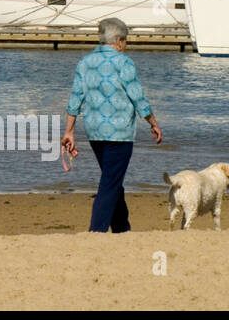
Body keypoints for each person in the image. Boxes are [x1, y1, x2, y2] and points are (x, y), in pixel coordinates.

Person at [60, 17, 163, 233]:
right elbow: (137, 96)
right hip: (119, 133)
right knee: (110, 182)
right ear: (118, 40)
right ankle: (95, 231)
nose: (125, 45)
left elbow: (75, 99)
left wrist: (69, 131)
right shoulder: (124, 62)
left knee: (112, 178)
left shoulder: (85, 62)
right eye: (125, 40)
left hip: (95, 131)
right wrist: (152, 122)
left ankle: (121, 228)